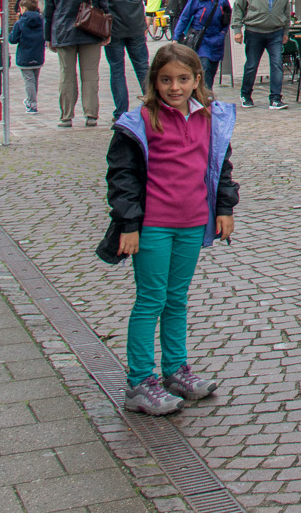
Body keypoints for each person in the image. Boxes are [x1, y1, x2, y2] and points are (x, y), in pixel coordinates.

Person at [101, 43, 237, 416]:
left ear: (197, 80)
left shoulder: (210, 117)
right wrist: (130, 225)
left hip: (192, 222)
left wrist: (224, 208)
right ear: (154, 82)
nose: (174, 87)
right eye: (166, 80)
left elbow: (220, 167)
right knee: (150, 300)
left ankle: (176, 369)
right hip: (153, 226)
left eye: (182, 79)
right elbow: (122, 178)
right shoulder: (140, 121)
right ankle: (140, 381)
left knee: (176, 299)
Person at [44, 0, 107, 127]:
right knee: (90, 76)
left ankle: (66, 116)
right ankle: (91, 115)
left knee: (66, 75)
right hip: (90, 31)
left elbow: (48, 12)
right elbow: (103, 5)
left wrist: (48, 36)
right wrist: (106, 31)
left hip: (64, 32)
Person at [93, 0, 152, 121]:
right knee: (142, 67)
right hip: (135, 25)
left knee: (117, 70)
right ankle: (152, 104)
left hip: (113, 27)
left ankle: (120, 112)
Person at [233, 0, 293, 109]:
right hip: (254, 31)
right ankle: (246, 95)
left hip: (275, 32)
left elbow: (287, 12)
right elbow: (238, 7)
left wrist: (286, 31)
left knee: (277, 64)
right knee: (252, 64)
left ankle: (275, 98)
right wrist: (237, 29)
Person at [177, 0, 231, 75]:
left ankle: (207, 90)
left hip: (217, 40)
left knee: (212, 69)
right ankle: (205, 91)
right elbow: (185, 17)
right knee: (204, 67)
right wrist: (176, 37)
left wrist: (223, 32)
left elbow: (227, 17)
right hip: (201, 38)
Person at [12, 0, 48, 113]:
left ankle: (32, 103)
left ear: (24, 9)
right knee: (34, 80)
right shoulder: (42, 21)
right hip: (38, 54)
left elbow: (13, 39)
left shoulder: (20, 23)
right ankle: (32, 100)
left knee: (29, 80)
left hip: (25, 55)